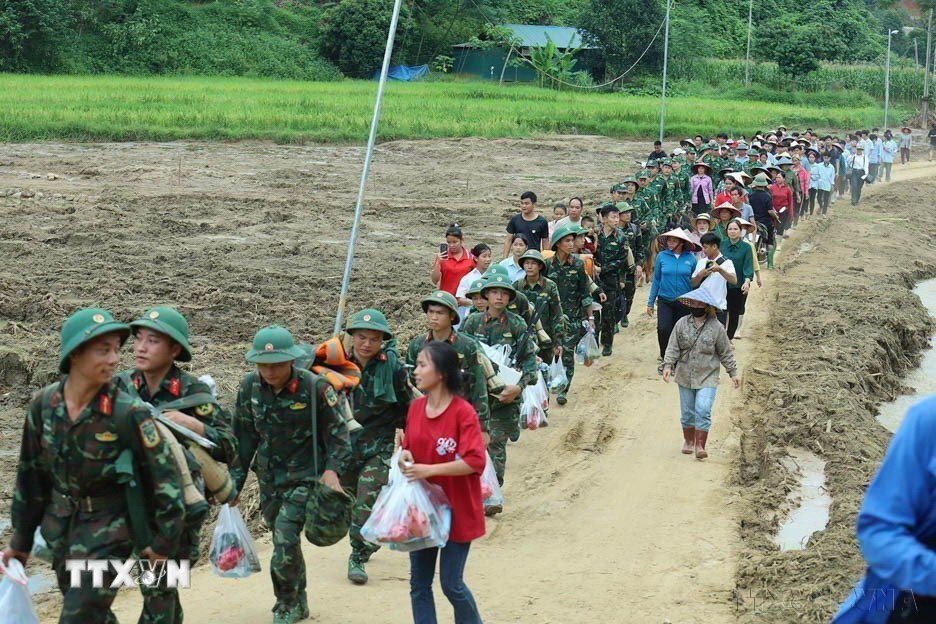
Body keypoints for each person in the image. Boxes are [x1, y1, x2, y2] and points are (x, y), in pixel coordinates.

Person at [3, 308, 185, 623]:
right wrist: (20, 541)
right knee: (92, 615)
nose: (115, 359)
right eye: (104, 350)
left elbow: (166, 481)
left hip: (111, 531)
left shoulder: (127, 413)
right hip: (61, 529)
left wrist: (163, 544)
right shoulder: (44, 406)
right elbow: (31, 477)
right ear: (74, 354)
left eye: (116, 349)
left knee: (78, 615)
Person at [114, 306, 238, 624]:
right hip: (129, 501)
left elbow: (229, 447)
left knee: (159, 586)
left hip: (180, 505)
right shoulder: (120, 387)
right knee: (149, 585)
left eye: (152, 341)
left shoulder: (193, 392)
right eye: (139, 339)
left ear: (174, 350)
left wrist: (194, 425)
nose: (140, 347)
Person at [231, 326, 352, 624]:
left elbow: (339, 436)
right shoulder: (249, 387)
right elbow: (243, 439)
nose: (269, 371)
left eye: (276, 364)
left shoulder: (315, 388)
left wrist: (332, 471)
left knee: (285, 535)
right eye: (263, 364)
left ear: (291, 362)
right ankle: (299, 598)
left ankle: (285, 603)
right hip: (270, 479)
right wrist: (232, 485)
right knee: (282, 537)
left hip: (306, 477)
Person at [401, 341, 486, 624]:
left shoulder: (464, 413)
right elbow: (409, 449)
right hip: (423, 511)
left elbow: (475, 461)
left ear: (442, 373)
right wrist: (404, 457)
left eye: (422, 365)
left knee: (452, 584)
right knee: (419, 584)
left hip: (458, 510)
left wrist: (428, 470)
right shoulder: (415, 409)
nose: (416, 371)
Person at [343, 309, 413, 585]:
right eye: (361, 337)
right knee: (347, 501)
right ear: (352, 337)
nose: (367, 344)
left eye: (374, 339)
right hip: (343, 448)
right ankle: (369, 536)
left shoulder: (392, 368)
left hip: (378, 446)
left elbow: (407, 406)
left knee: (365, 499)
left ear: (382, 340)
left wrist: (410, 441)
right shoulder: (336, 365)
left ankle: (356, 556)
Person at [460, 276, 537, 488]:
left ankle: (492, 491)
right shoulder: (472, 322)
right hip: (476, 396)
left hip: (505, 399)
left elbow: (531, 364)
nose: (499, 297)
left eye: (503, 293)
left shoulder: (517, 324)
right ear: (486, 295)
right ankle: (474, 490)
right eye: (494, 292)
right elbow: (458, 353)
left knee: (494, 443)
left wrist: (518, 387)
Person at [407, 290, 491, 449]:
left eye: (440, 313)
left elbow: (478, 386)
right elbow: (409, 385)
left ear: (452, 316)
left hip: (458, 418)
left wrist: (482, 427)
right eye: (431, 312)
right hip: (425, 417)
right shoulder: (417, 345)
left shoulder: (466, 346)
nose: (434, 317)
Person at [661, 288, 740, 460]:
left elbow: (725, 352)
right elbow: (673, 347)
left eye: (699, 303)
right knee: (688, 412)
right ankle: (689, 441)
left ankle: (700, 445)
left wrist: (733, 373)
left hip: (708, 375)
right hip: (684, 374)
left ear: (707, 306)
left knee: (703, 409)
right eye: (693, 303)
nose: (695, 306)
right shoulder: (681, 324)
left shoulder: (717, 328)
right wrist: (668, 366)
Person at [546, 225, 605, 405]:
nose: (571, 244)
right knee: (548, 355)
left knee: (566, 354)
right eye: (567, 241)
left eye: (572, 240)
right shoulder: (547, 266)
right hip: (550, 319)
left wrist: (591, 318)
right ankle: (546, 391)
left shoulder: (578, 265)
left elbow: (585, 294)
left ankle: (564, 389)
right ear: (557, 244)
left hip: (572, 318)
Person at [647, 228, 701, 375]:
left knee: (681, 332)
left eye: (674, 240)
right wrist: (650, 302)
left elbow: (695, 281)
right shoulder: (662, 257)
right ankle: (665, 358)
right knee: (663, 329)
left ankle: (677, 360)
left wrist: (698, 302)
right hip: (665, 299)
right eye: (669, 240)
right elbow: (656, 279)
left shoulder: (691, 259)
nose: (670, 243)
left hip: (685, 301)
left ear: (682, 243)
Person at [593, 204, 634, 356]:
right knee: (594, 314)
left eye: (617, 217)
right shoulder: (595, 234)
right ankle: (593, 344)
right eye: (613, 217)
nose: (616, 220)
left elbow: (620, 261)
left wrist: (602, 269)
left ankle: (607, 343)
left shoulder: (622, 237)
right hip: (594, 282)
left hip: (611, 282)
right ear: (603, 219)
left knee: (608, 315)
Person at [514, 249, 564, 364]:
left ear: (540, 266)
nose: (529, 267)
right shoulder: (517, 286)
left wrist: (558, 341)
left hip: (545, 339)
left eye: (533, 263)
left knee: (546, 372)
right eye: (527, 263)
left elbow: (557, 314)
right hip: (524, 340)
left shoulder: (550, 286)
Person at [690, 232, 737, 326]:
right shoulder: (701, 262)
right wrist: (700, 275)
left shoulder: (727, 263)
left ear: (714, 246)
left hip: (718, 307)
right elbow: (692, 284)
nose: (703, 250)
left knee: (718, 338)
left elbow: (734, 281)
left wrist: (720, 270)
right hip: (702, 307)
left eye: (705, 247)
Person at [720, 219, 756, 340]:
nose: (733, 231)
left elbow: (748, 265)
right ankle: (719, 338)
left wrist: (747, 282)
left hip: (738, 284)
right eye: (730, 229)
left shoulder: (746, 247)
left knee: (734, 312)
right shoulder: (722, 245)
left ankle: (729, 339)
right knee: (721, 312)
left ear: (741, 231)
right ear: (726, 231)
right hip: (722, 284)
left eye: (735, 229)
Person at [432, 224, 475, 296]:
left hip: (464, 300)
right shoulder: (443, 257)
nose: (451, 245)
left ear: (461, 240)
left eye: (455, 242)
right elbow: (434, 280)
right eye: (449, 242)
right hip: (446, 298)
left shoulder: (470, 257)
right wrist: (438, 263)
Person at [455, 243, 492, 323]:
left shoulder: (494, 276)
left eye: (489, 256)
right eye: (484, 256)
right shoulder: (468, 278)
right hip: (471, 318)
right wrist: (475, 302)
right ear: (475, 258)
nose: (488, 259)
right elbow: (460, 298)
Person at [504, 191, 548, 256]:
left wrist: (546, 259)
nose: (524, 206)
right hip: (518, 257)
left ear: (534, 204)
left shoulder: (542, 222)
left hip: (534, 257)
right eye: (522, 203)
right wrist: (505, 258)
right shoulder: (515, 220)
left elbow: (545, 242)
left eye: (527, 203)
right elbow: (508, 240)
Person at [769, 168, 794, 238]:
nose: (777, 179)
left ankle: (779, 244)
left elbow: (790, 202)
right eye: (776, 177)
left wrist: (791, 214)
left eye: (779, 177)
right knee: (773, 225)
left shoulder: (788, 189)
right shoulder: (772, 188)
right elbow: (769, 198)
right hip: (773, 210)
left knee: (780, 226)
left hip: (784, 210)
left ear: (784, 179)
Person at [811, 152, 835, 216]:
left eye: (827, 158)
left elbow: (832, 177)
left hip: (828, 184)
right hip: (820, 184)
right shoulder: (819, 165)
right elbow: (816, 174)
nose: (826, 159)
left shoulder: (831, 167)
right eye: (825, 158)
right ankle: (821, 206)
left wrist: (832, 185)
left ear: (829, 158)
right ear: (823, 158)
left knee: (826, 199)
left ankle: (824, 213)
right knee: (819, 198)